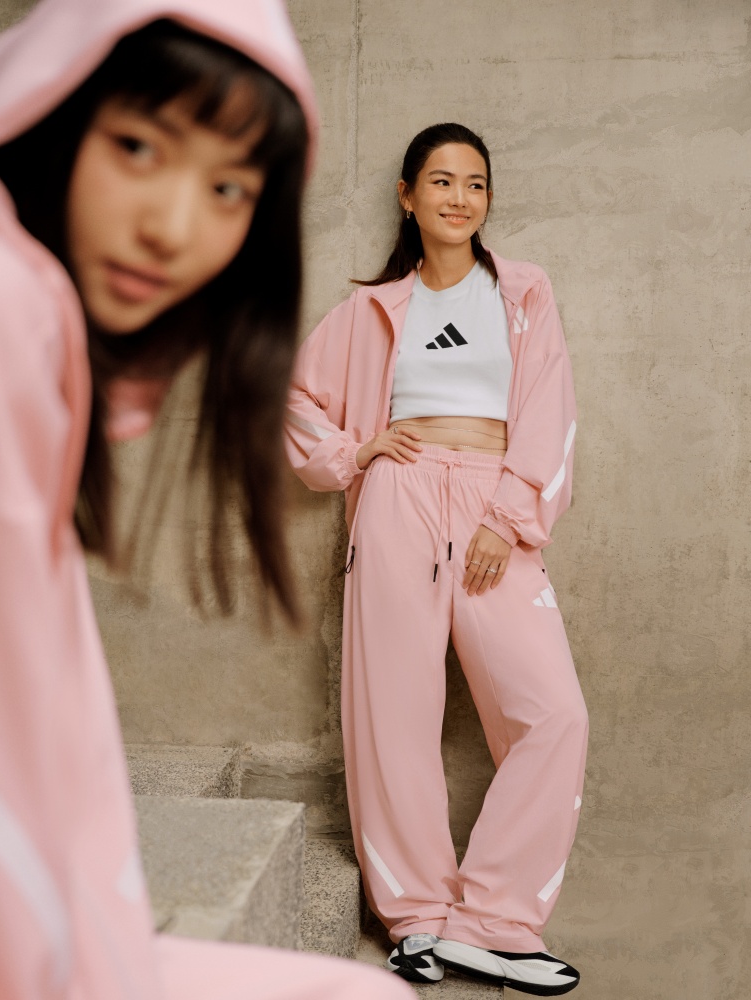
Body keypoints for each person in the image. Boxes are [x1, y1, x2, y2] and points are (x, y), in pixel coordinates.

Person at [0, 2, 415, 998]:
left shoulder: (26, 323)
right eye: (136, 147)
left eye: (227, 187)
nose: (170, 226)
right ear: (50, 113)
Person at [286, 122, 589, 996]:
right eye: (443, 181)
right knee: (395, 714)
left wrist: (509, 516)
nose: (461, 198)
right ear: (408, 196)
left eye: (476, 183)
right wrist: (357, 452)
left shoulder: (523, 291)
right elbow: (295, 402)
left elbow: (550, 408)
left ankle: (493, 921)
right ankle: (416, 917)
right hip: (399, 502)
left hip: (495, 506)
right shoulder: (373, 309)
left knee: (553, 714)